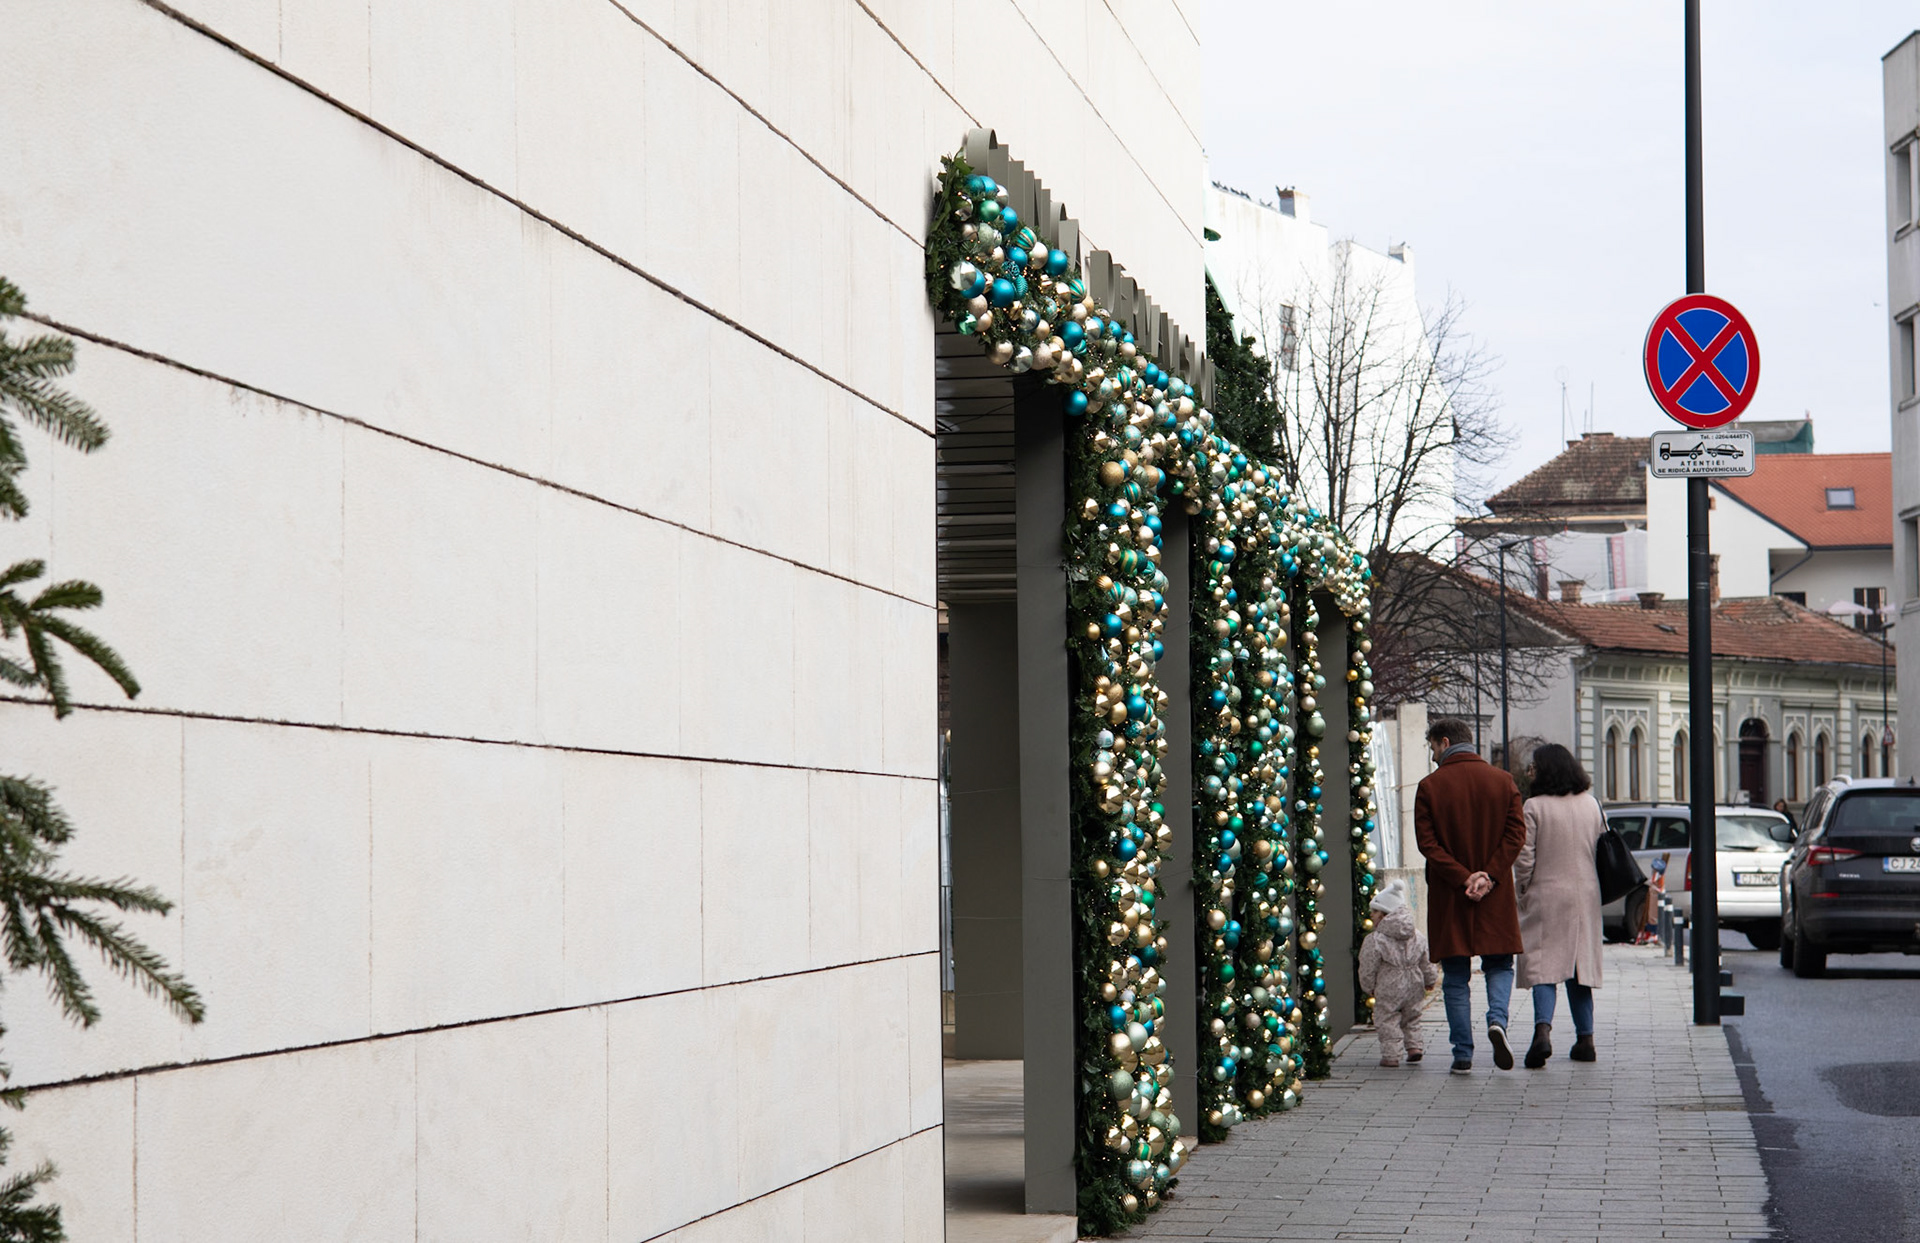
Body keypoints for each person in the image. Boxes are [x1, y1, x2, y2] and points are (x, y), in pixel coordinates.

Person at [1413, 717, 1527, 1074]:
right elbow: (1516, 835)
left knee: (1456, 975)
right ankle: (1497, 1021)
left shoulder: (1430, 787)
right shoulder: (1503, 782)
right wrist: (1489, 875)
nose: (1432, 756)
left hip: (1451, 894)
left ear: (1444, 742)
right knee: (1499, 964)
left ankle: (1462, 1053)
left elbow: (1427, 844)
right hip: (1494, 893)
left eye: (1432, 747)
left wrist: (1464, 877)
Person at [1513, 743, 1605, 1068]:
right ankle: (1586, 1039)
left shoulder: (1534, 806)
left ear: (1546, 770)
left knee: (1543, 965)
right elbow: (1601, 846)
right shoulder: (1591, 805)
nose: (1530, 772)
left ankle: (1542, 1032)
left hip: (1546, 893)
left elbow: (1524, 857)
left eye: (1534, 767)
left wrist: (1523, 889)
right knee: (1579, 969)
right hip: (1586, 895)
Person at [1358, 879, 1438, 1068]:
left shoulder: (1376, 939)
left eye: (1375, 911)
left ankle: (1391, 1055)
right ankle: (1414, 1047)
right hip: (1414, 982)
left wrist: (1368, 986)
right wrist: (1430, 979)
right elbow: (1426, 960)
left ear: (1385, 914)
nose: (1372, 915)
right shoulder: (1417, 935)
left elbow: (1368, 965)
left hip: (1389, 983)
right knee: (1412, 1016)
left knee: (1387, 1018)